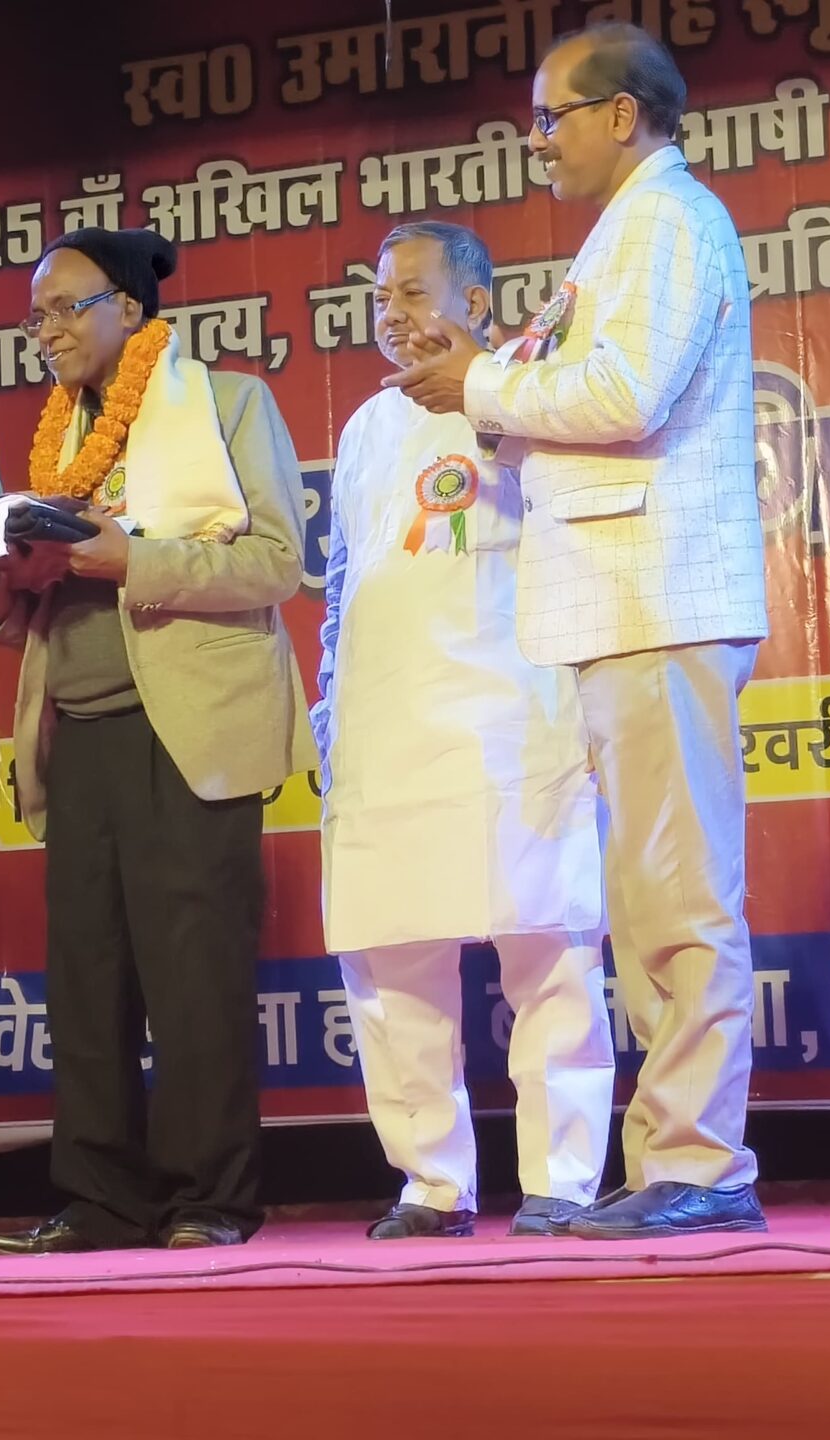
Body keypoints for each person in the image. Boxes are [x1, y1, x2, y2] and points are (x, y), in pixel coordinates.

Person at [385, 22, 771, 1240]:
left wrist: (480, 385)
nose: (537, 140)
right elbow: (570, 392)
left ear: (621, 115)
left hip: (658, 598)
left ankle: (701, 1161)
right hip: (621, 604)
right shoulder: (622, 232)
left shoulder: (666, 219)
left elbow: (622, 395)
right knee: (650, 897)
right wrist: (481, 378)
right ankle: (675, 1157)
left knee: (680, 894)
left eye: (551, 117)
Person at [0, 227, 312, 1254]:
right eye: (34, 315)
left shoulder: (227, 403)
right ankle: (101, 1199)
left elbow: (276, 563)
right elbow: (44, 601)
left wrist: (133, 560)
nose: (45, 331)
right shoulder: (59, 442)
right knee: (87, 981)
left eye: (65, 308)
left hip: (188, 731)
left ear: (128, 308)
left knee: (194, 975)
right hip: (78, 732)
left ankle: (211, 1199)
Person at [317, 220, 613, 1240]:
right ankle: (430, 1185)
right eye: (380, 297)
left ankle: (563, 1182)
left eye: (413, 292)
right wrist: (331, 707)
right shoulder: (366, 427)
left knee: (548, 952)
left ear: (476, 303)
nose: (391, 314)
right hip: (386, 724)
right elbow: (344, 585)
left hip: (512, 715)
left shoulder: (526, 391)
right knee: (391, 964)